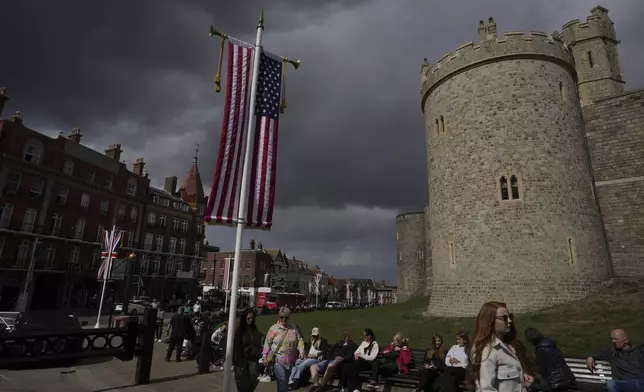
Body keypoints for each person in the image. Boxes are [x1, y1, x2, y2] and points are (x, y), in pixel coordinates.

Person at [468, 301, 533, 392]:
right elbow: (487, 389)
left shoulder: (510, 346)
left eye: (510, 316)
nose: (509, 321)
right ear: (490, 321)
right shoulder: (488, 351)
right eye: (504, 318)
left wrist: (521, 376)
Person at [262, 306, 305, 392]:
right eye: (282, 317)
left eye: (286, 317)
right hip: (278, 360)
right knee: (281, 382)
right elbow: (267, 343)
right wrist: (264, 356)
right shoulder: (274, 328)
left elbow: (299, 340)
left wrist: (301, 351)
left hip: (290, 361)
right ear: (279, 317)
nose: (284, 319)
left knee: (285, 384)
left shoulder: (293, 328)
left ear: (289, 317)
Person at [233, 308, 264, 392]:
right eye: (248, 318)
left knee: (253, 380)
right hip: (241, 360)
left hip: (252, 359)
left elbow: (259, 339)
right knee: (241, 383)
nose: (250, 320)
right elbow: (236, 347)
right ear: (244, 318)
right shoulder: (239, 331)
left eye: (252, 318)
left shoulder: (254, 329)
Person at [343, 328, 379, 392]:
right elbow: (356, 353)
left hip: (369, 364)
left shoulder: (374, 344)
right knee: (348, 366)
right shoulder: (363, 343)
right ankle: (350, 388)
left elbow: (372, 357)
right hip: (360, 362)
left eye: (364, 335)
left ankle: (352, 388)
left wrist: (361, 355)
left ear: (369, 336)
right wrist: (359, 355)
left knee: (353, 366)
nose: (363, 337)